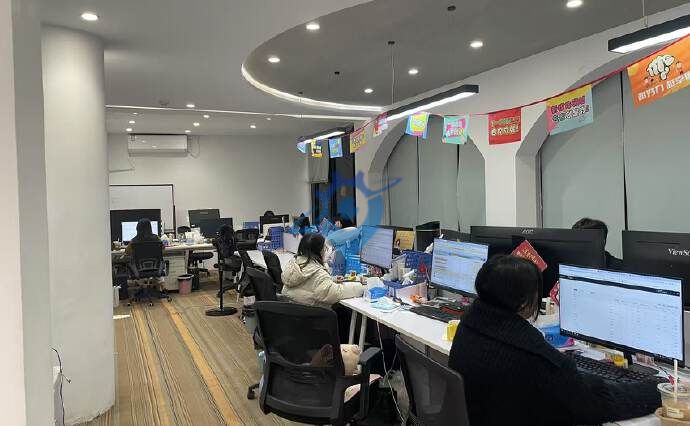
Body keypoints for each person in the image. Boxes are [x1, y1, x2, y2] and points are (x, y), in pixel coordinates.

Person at [448, 255, 660, 426]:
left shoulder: (469, 325)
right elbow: (595, 404)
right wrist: (659, 391)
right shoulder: (533, 355)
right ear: (524, 302)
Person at [281, 233, 364, 308]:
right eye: (325, 248)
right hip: (312, 315)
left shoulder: (293, 265)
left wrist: (331, 279)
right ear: (319, 251)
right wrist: (362, 287)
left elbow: (310, 283)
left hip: (292, 313)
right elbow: (336, 292)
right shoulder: (318, 273)